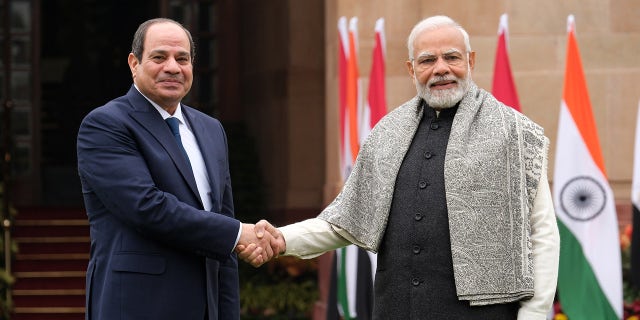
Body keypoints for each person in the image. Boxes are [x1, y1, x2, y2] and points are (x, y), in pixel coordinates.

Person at [239, 15, 560, 319]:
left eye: (452, 57)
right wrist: (281, 239)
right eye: (427, 60)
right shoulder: (386, 135)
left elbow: (542, 233)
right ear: (411, 69)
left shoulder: (513, 132)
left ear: (471, 61)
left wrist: (533, 314)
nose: (441, 69)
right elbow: (344, 221)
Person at [77, 18, 279, 320]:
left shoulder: (212, 130)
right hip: (137, 307)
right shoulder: (106, 125)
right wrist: (239, 234)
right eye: (159, 57)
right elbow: (147, 207)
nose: (172, 67)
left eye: (182, 59)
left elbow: (222, 226)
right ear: (134, 63)